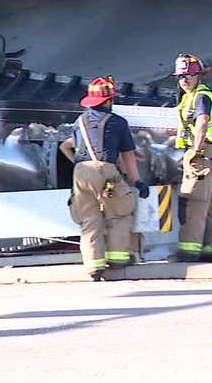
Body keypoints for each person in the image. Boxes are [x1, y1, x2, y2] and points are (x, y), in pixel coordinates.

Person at [60, 76, 150, 281]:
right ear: (109, 101)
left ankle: (93, 265)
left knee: (89, 219)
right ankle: (118, 258)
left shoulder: (80, 122)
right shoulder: (118, 123)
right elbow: (128, 156)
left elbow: (64, 146)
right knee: (119, 213)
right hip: (105, 170)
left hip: (80, 172)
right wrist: (137, 181)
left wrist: (80, 163)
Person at [173, 53, 212, 262]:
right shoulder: (192, 97)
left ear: (198, 76)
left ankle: (189, 251)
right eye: (180, 77)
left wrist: (195, 151)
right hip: (211, 155)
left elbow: (202, 122)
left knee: (193, 203)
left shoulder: (200, 97)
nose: (183, 80)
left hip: (201, 156)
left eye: (188, 76)